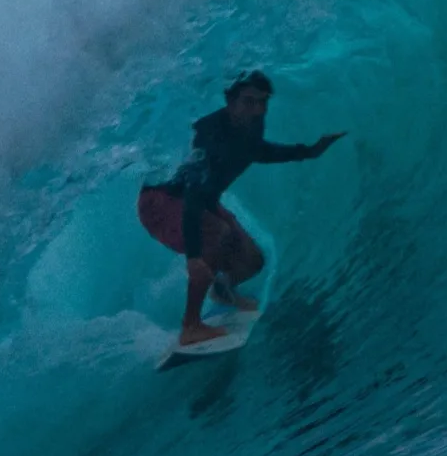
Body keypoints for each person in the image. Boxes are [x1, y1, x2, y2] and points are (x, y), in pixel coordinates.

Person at [143, 71, 344, 347]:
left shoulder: (251, 126)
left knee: (252, 262)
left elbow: (261, 152)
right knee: (218, 234)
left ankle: (222, 292)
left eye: (263, 102)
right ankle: (190, 326)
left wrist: (309, 151)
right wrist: (194, 256)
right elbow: (190, 194)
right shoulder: (209, 136)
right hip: (162, 201)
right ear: (230, 101)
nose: (258, 109)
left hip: (203, 202)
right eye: (249, 102)